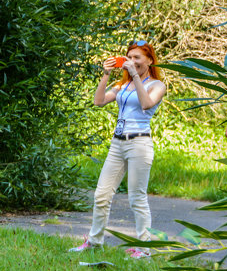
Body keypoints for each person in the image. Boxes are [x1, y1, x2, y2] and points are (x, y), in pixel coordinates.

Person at [70, 40, 167, 258]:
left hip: (139, 144)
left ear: (149, 60)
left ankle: (144, 249)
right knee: (102, 195)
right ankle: (95, 242)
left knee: (137, 198)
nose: (132, 62)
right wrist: (105, 74)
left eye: (137, 58)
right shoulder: (122, 85)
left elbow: (146, 104)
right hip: (117, 143)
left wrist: (134, 76)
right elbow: (98, 101)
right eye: (129, 57)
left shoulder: (157, 85)